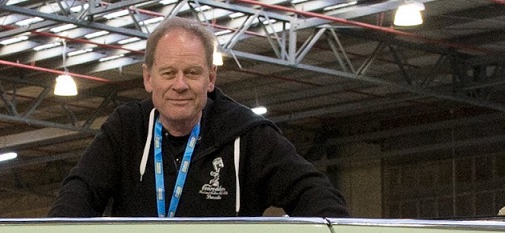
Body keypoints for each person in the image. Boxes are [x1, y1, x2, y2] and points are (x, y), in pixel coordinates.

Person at [50, 17, 348, 218]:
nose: (180, 84)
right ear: (148, 78)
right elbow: (77, 196)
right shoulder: (126, 129)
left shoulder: (248, 135)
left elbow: (320, 199)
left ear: (210, 78)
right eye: (168, 73)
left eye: (192, 73)